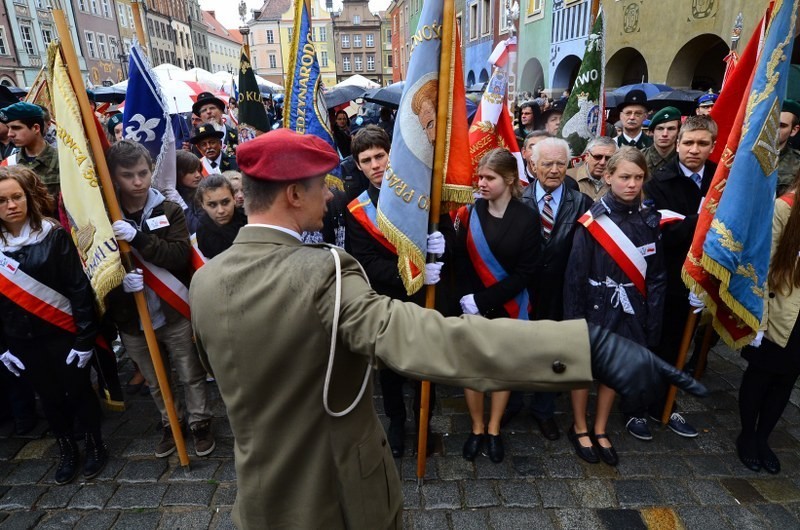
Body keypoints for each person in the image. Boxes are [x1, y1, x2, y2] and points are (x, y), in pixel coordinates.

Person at [189, 128, 705, 529]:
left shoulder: (206, 283)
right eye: (321, 186)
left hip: (259, 496)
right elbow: (436, 341)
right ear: (293, 196)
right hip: (338, 494)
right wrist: (587, 347)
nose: (330, 196)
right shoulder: (322, 269)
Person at [105, 140, 216, 458]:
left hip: (171, 310)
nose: (138, 182)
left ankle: (200, 422)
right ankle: (172, 422)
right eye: (128, 175)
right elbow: (96, 265)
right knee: (155, 378)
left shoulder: (169, 209)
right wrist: (118, 282)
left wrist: (139, 238)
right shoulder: (104, 214)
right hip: (133, 315)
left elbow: (179, 255)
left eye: (143, 173)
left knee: (189, 371)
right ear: (114, 177)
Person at [0, 166, 107, 484]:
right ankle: (66, 449)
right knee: (48, 396)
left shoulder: (53, 233)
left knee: (78, 391)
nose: (11, 205)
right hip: (21, 339)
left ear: (28, 197)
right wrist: (3, 348)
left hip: (62, 333)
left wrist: (85, 338)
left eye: (16, 197)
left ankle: (94, 444)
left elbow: (78, 289)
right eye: (2, 200)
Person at [344, 125, 445, 457]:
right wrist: (412, 272)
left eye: (380, 156)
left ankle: (423, 419)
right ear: (358, 165)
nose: (375, 165)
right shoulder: (356, 209)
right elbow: (367, 262)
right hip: (386, 298)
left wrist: (442, 244)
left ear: (391, 154)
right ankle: (397, 421)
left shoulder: (418, 192)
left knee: (423, 364)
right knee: (387, 366)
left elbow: (442, 240)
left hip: (423, 298)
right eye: (366, 160)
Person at [564, 147, 667, 466]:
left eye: (638, 177)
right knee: (585, 368)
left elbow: (657, 274)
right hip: (595, 306)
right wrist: (573, 322)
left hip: (631, 308)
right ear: (608, 177)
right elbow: (576, 274)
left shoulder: (651, 220)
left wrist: (654, 318)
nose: (632, 184)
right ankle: (579, 425)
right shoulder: (592, 221)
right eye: (624, 177)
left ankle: (600, 427)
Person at [454, 148, 540, 463]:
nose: (482, 183)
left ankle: (493, 429)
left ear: (509, 179)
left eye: (489, 178)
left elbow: (526, 272)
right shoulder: (468, 213)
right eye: (479, 177)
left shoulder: (528, 217)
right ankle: (476, 428)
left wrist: (484, 300)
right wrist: (468, 299)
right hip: (471, 306)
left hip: (509, 305)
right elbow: (460, 262)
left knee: (502, 370)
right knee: (473, 371)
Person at [506, 137, 592, 439]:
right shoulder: (516, 200)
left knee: (554, 354)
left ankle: (543, 409)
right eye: (547, 163)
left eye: (560, 163)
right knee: (518, 350)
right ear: (532, 165)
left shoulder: (581, 203)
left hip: (561, 293)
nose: (555, 170)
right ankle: (512, 402)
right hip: (523, 293)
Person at [641, 115, 718, 441]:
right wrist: (701, 220)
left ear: (713, 146)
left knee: (681, 351)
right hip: (669, 278)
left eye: (703, 144)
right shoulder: (659, 181)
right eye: (688, 143)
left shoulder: (721, 179)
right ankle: (643, 404)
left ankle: (665, 404)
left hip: (707, 278)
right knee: (660, 343)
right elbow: (662, 234)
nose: (694, 150)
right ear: (677, 143)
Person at [737, 185, 800, 474]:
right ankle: (748, 435)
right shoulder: (784, 208)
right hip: (779, 310)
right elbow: (761, 267)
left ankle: (764, 438)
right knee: (761, 374)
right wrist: (758, 321)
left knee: (786, 379)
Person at [0, 102, 60, 202]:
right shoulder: (9, 164)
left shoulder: (62, 161)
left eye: (16, 128)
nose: (10, 134)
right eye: (8, 128)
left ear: (36, 128)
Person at [195, 173, 247, 259]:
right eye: (212, 205)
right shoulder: (203, 232)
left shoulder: (249, 218)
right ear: (202, 205)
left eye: (225, 202)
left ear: (234, 198)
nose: (221, 211)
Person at [567, 137, 617, 201]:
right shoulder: (566, 178)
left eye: (608, 158)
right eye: (598, 157)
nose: (602, 162)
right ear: (587, 156)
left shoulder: (619, 181)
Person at [641, 106, 681, 176]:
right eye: (660, 129)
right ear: (652, 132)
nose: (665, 134)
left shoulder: (683, 159)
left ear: (678, 132)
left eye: (671, 129)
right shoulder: (639, 158)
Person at [176, 150, 206, 234]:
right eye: (191, 171)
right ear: (178, 173)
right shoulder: (165, 199)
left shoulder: (203, 195)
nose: (198, 175)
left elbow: (198, 229)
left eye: (199, 170)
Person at [776, 99, 800, 197]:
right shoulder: (746, 157)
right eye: (772, 123)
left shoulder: (797, 164)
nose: (775, 130)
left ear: (794, 130)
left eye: (782, 126)